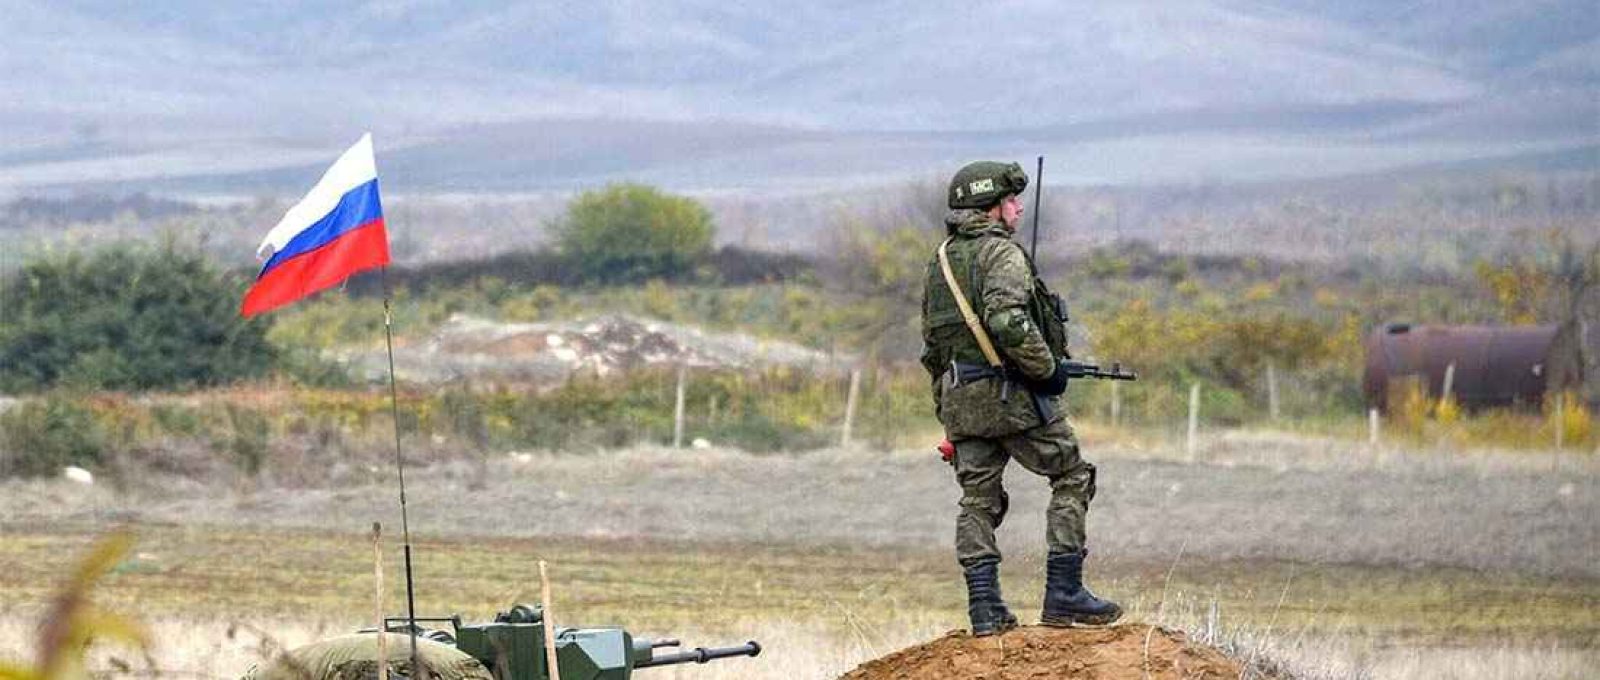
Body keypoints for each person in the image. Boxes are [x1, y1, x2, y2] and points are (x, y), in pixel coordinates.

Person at [920, 160, 1122, 636]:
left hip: (960, 401)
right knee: (1072, 475)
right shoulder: (1002, 255)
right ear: (991, 207)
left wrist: (947, 415)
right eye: (1011, 200)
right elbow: (1009, 322)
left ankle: (985, 610)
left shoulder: (941, 261)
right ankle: (1064, 595)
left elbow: (933, 348)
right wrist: (1047, 372)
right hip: (1012, 398)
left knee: (977, 501)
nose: (1018, 208)